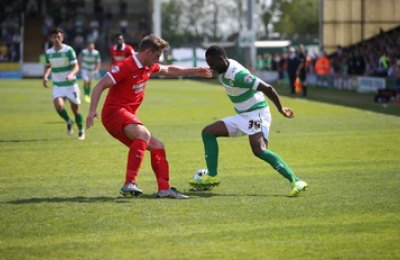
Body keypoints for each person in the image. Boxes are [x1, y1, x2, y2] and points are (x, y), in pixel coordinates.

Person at [86, 34, 212, 199]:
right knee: (143, 134)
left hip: (125, 116)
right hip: (114, 113)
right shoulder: (126, 65)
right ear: (147, 52)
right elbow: (100, 85)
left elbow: (169, 69)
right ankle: (129, 183)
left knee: (158, 146)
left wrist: (195, 70)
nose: (158, 59)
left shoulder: (148, 66)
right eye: (157, 55)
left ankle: (164, 189)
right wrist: (92, 110)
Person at [189, 45, 308, 197]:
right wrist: (201, 71)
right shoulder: (221, 68)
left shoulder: (238, 75)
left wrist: (280, 109)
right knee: (208, 132)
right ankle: (212, 176)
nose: (211, 67)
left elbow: (268, 88)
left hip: (256, 114)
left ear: (220, 59)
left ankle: (295, 180)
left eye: (212, 64)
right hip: (243, 116)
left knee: (259, 149)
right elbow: (216, 73)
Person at [43, 28, 85, 140]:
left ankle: (81, 130)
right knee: (58, 106)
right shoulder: (49, 53)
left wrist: (71, 74)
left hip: (70, 85)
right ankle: (69, 121)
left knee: (76, 110)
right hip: (58, 85)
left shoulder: (68, 50)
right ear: (51, 38)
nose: (57, 39)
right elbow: (48, 66)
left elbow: (76, 67)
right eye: (54, 37)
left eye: (59, 37)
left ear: (62, 37)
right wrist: (46, 76)